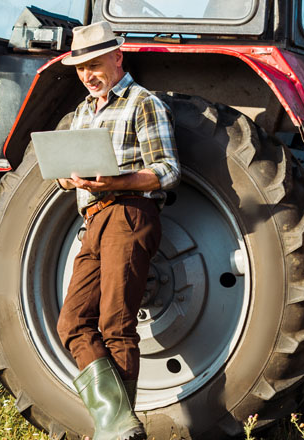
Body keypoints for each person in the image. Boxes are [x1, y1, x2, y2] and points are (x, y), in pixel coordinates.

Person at [55, 21, 180, 440]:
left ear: (117, 57)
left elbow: (166, 170)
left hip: (128, 212)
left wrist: (113, 182)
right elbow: (62, 172)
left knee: (116, 323)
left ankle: (120, 432)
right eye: (80, 68)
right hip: (92, 217)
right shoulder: (80, 114)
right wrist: (68, 178)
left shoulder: (143, 103)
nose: (88, 74)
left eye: (94, 64)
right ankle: (119, 423)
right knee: (71, 322)